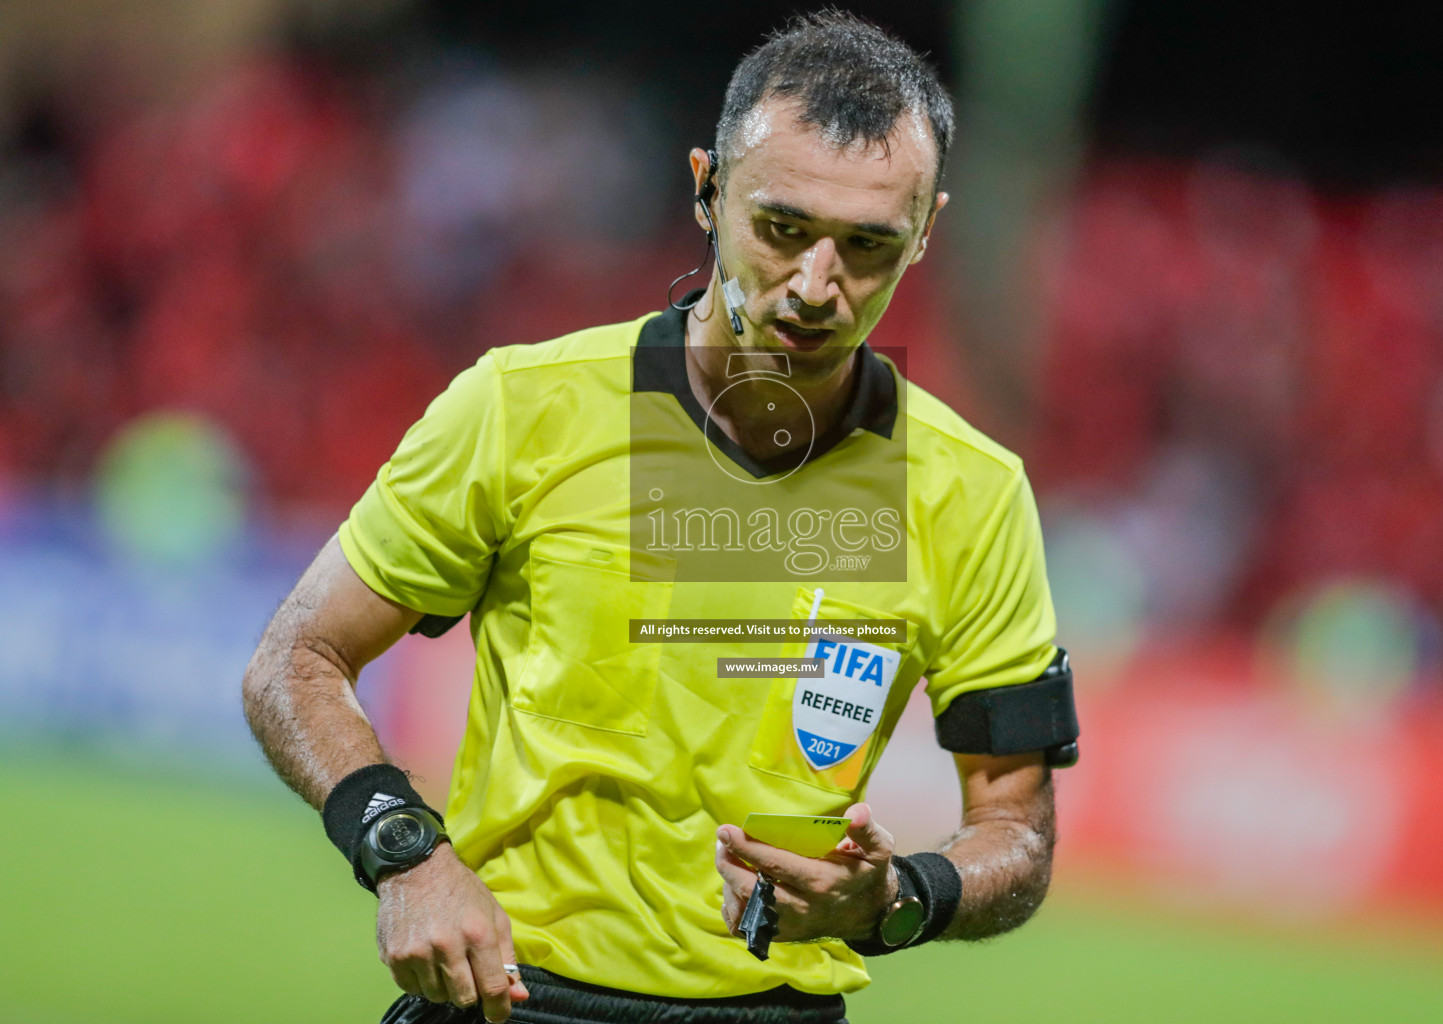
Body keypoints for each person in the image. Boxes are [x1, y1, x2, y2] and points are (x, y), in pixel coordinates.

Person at [242, 11, 1078, 1024]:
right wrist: (405, 855)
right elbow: (296, 658)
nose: (816, 285)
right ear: (707, 187)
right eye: (781, 227)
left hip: (775, 1006)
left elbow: (1017, 835)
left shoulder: (972, 493)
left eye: (867, 246)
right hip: (514, 1000)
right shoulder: (522, 407)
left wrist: (896, 897)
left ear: (927, 231)